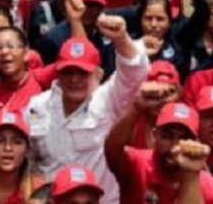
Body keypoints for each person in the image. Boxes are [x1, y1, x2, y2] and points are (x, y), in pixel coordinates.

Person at [25, 14, 147, 201]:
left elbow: (134, 74)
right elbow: (26, 159)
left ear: (97, 74)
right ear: (57, 72)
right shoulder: (36, 107)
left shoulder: (109, 100)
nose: (74, 79)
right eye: (68, 71)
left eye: (82, 73)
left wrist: (121, 39)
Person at [104, 101, 213, 203]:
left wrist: (191, 174)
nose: (174, 147)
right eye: (167, 136)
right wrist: (136, 107)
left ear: (195, 143)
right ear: (154, 136)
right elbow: (112, 150)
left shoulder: (211, 191)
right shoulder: (137, 164)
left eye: (184, 139)